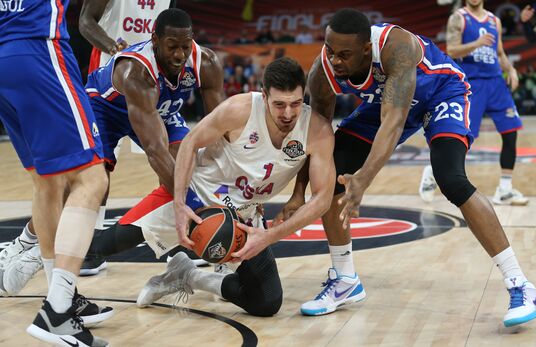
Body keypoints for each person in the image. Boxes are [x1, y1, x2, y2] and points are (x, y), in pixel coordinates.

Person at [280, 9, 536, 327]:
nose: (335, 60)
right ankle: (345, 278)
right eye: (331, 51)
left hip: (443, 93)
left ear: (367, 48)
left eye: (344, 54)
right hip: (386, 102)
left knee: (450, 178)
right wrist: (297, 192)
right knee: (333, 171)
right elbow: (318, 136)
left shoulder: (396, 46)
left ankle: (520, 284)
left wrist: (363, 179)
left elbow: (394, 121)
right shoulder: (323, 72)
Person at [94, 57, 335, 316]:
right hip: (196, 199)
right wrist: (179, 203)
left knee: (266, 302)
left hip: (242, 218)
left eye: (295, 104)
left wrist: (269, 236)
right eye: (279, 105)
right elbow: (190, 143)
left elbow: (323, 198)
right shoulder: (239, 109)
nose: (288, 114)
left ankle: (188, 275)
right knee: (92, 250)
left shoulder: (317, 131)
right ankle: (48, 261)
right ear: (264, 96)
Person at [2, 9, 225, 289]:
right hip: (106, 107)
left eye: (185, 45)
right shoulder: (135, 71)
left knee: (189, 166)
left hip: (159, 108)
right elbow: (155, 150)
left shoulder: (206, 62)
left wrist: (226, 185)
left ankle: (180, 248)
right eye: (172, 47)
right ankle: (26, 242)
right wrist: (195, 205)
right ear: (155, 40)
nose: (180, 55)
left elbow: (219, 127)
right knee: (88, 185)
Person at [0, 0, 111, 345]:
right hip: (39, 50)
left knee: (47, 182)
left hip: (5, 57)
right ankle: (57, 312)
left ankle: (60, 294)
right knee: (92, 178)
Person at [419, 0, 528, 205]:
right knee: (465, 137)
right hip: (471, 83)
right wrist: (477, 44)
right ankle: (433, 171)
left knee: (511, 133)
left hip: (496, 82)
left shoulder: (494, 21)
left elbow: (500, 52)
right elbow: (451, 50)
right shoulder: (459, 17)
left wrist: (511, 70)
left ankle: (505, 189)